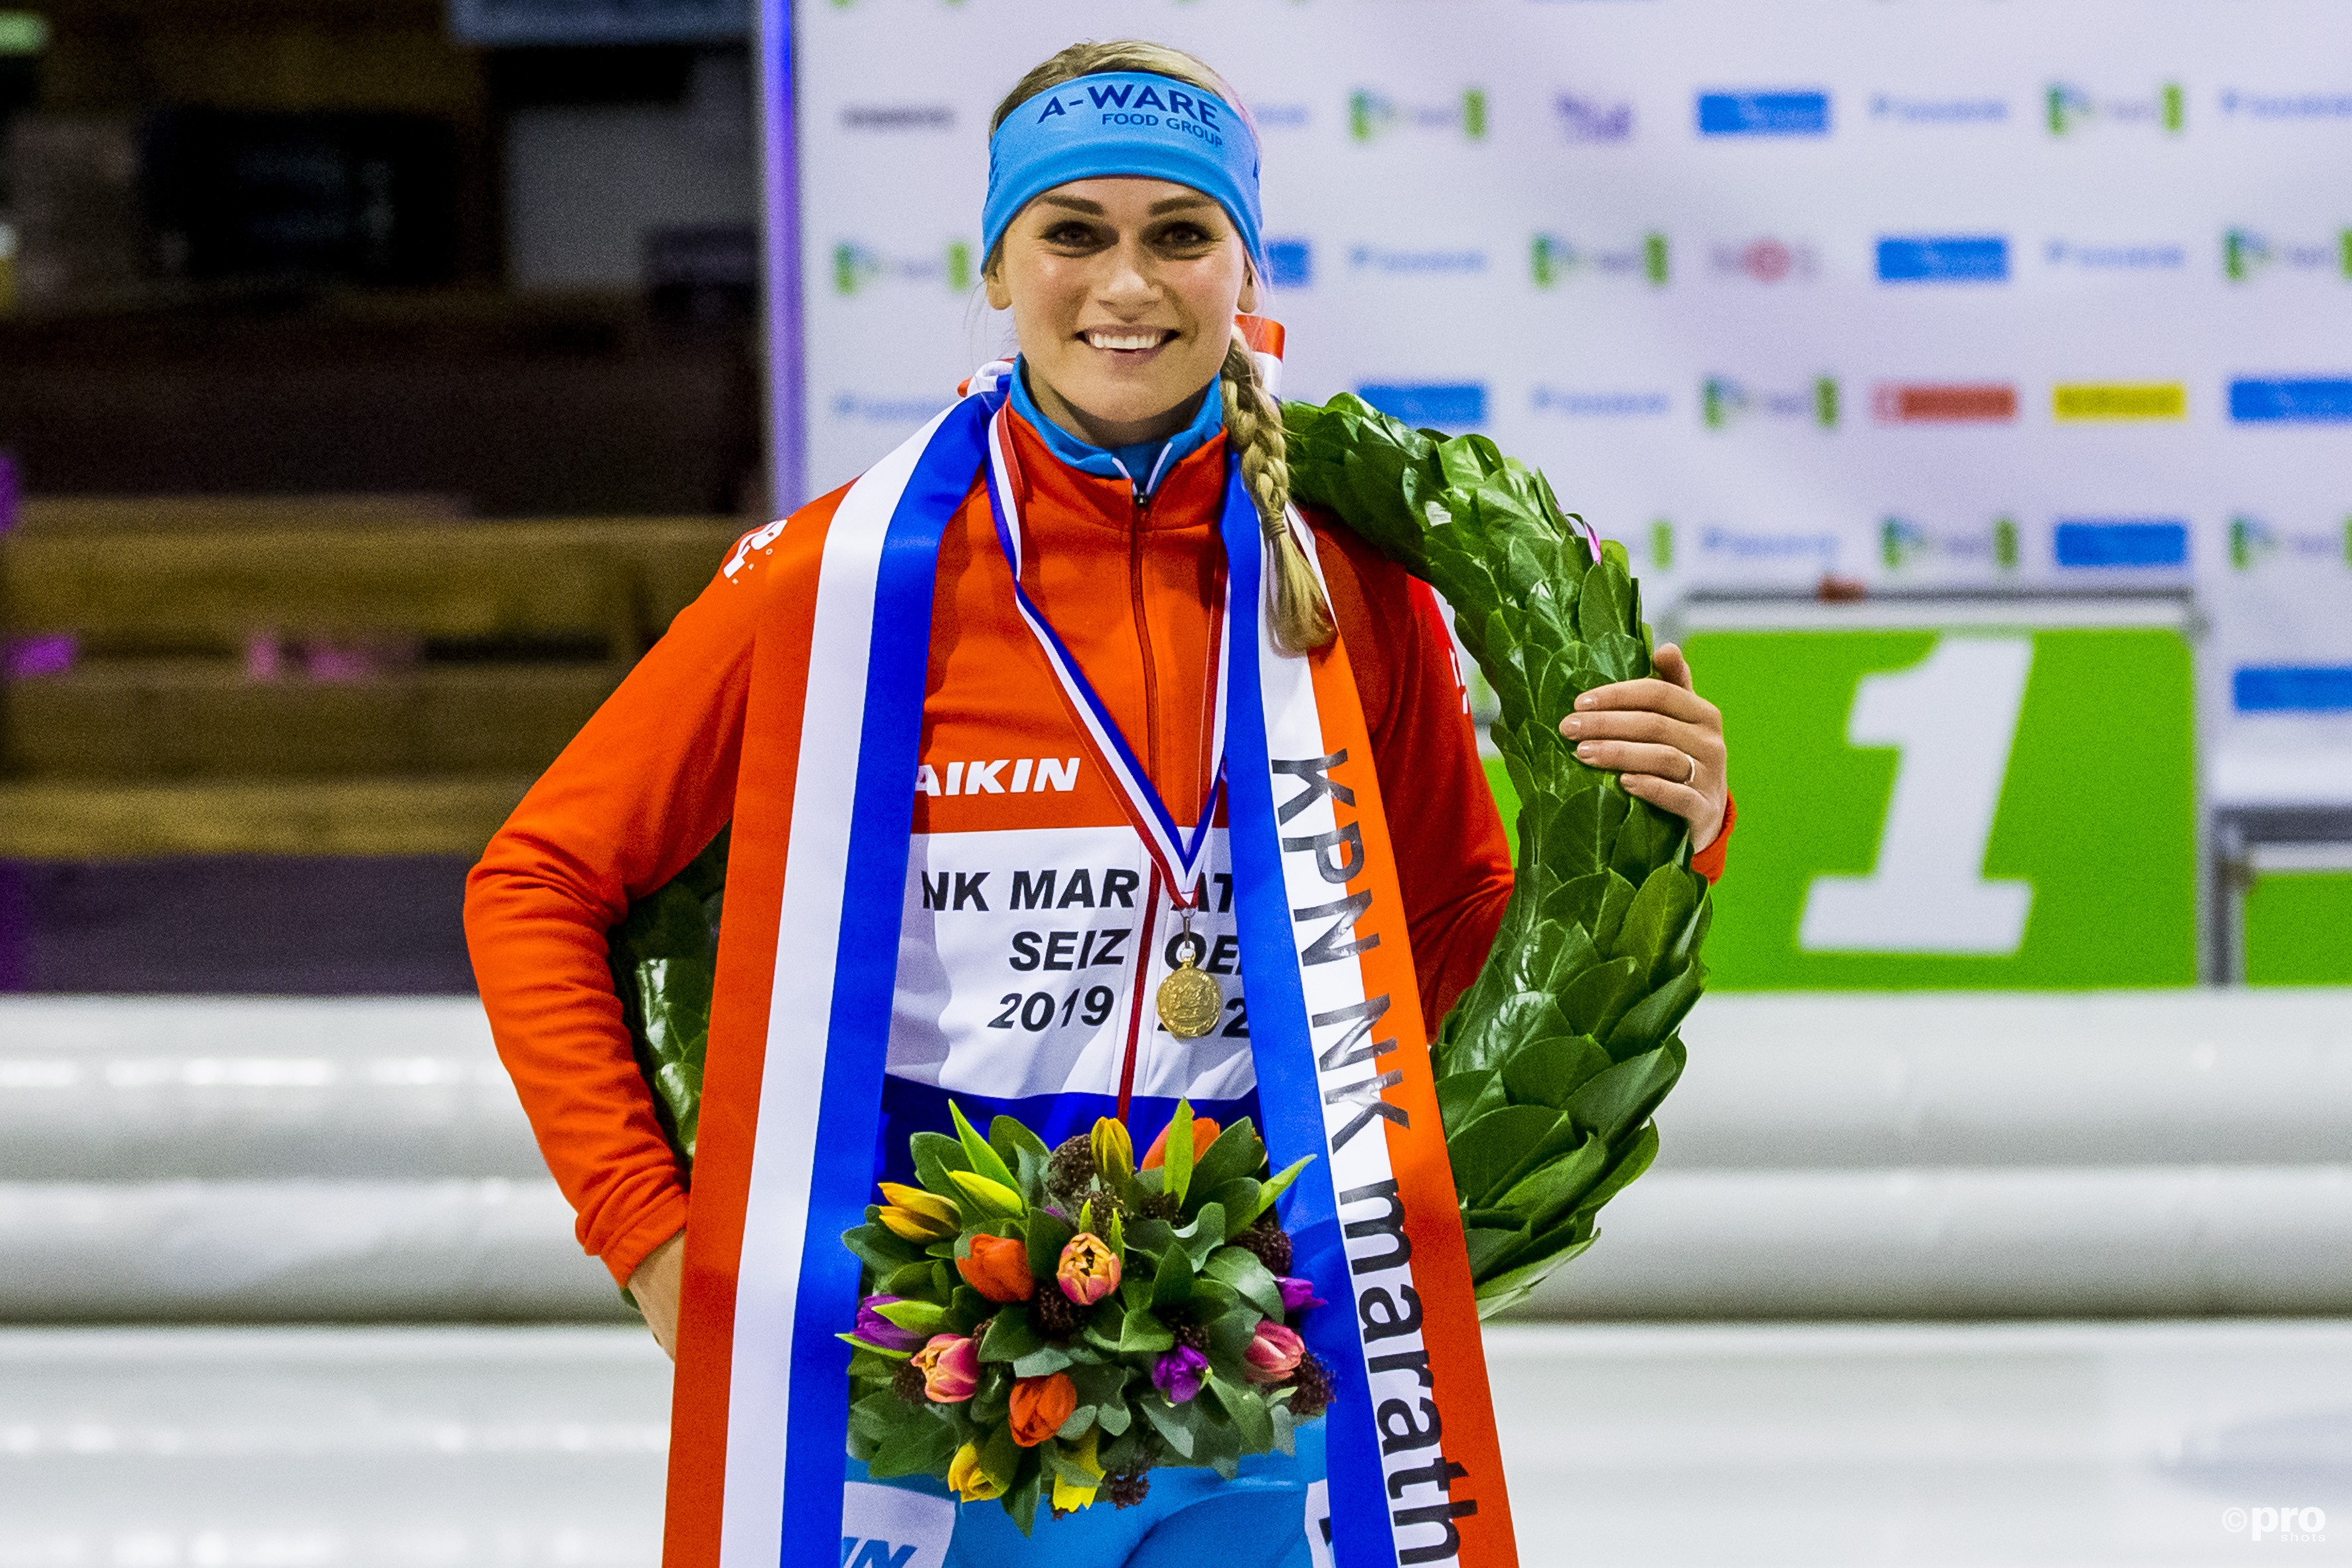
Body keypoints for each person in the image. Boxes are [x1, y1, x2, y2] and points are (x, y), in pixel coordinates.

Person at [465, 39, 1732, 1568]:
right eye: (1072, 232)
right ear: (996, 267)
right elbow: (536, 879)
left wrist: (1654, 829)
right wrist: (651, 1234)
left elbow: (1451, 934)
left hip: (1262, 1350)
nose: (1124, 281)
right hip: (921, 1366)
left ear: (1237, 266)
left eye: (1176, 234)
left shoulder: (1348, 589)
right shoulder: (837, 584)